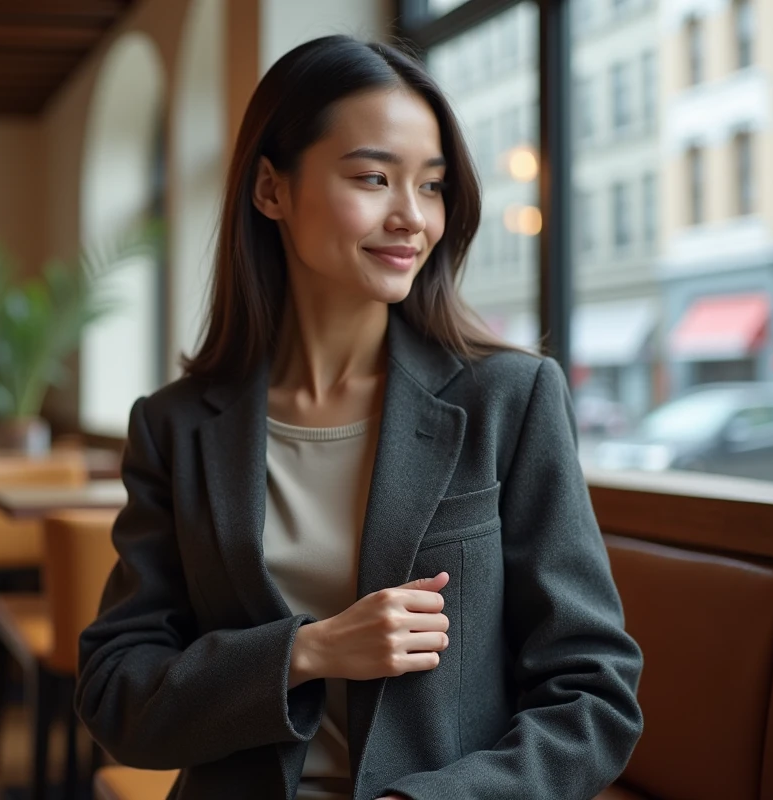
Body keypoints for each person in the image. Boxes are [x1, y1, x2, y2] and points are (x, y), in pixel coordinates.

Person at [76, 36, 643, 800]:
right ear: (271, 190)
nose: (411, 217)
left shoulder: (510, 399)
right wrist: (305, 653)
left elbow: (594, 697)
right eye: (374, 178)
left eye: (433, 186)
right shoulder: (176, 428)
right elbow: (118, 694)